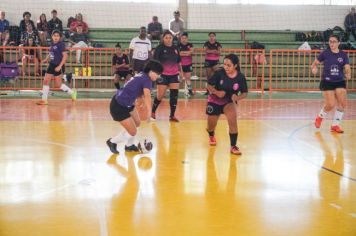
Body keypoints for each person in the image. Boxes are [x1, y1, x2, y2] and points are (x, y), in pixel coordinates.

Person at [106, 60, 163, 154]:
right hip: (119, 106)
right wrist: (149, 113)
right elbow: (148, 96)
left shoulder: (142, 75)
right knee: (133, 132)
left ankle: (129, 145)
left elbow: (137, 89)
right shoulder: (147, 79)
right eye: (158, 74)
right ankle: (112, 142)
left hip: (127, 103)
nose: (158, 76)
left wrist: (142, 101)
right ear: (151, 71)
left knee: (137, 123)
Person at [206, 54, 248, 155]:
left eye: (228, 65)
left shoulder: (240, 77)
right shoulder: (219, 73)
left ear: (235, 66)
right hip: (214, 100)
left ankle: (233, 146)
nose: (226, 67)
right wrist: (217, 92)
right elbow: (208, 85)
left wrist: (237, 97)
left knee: (232, 120)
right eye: (224, 64)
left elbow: (245, 93)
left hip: (228, 101)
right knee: (211, 126)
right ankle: (211, 135)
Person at [311, 34, 351, 133]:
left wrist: (348, 73)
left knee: (342, 104)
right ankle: (319, 117)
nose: (331, 43)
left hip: (340, 81)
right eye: (330, 41)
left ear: (338, 43)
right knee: (331, 104)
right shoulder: (325, 53)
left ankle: (335, 125)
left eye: (334, 41)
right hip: (327, 81)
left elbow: (347, 66)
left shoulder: (343, 55)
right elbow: (315, 63)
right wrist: (314, 68)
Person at [36, 30, 77, 105]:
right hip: (51, 64)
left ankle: (72, 92)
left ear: (59, 37)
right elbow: (51, 52)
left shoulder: (61, 45)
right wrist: (46, 59)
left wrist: (60, 66)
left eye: (57, 36)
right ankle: (44, 100)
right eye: (54, 35)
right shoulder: (52, 44)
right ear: (52, 37)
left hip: (58, 65)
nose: (56, 37)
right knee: (46, 81)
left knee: (58, 84)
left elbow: (65, 56)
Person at [151, 30, 183, 122]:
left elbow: (179, 62)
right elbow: (155, 62)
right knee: (160, 96)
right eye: (166, 38)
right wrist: (156, 73)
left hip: (174, 75)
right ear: (163, 39)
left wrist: (181, 72)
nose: (168, 39)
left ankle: (172, 115)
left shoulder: (176, 48)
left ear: (172, 38)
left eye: (170, 37)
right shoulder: (159, 48)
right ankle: (153, 111)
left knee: (174, 96)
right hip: (163, 75)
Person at [178, 32, 194, 96]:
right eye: (182, 38)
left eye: (185, 38)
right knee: (179, 78)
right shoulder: (177, 45)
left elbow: (190, 53)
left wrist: (182, 52)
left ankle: (190, 91)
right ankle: (175, 91)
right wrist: (187, 52)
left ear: (187, 39)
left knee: (188, 78)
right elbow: (178, 54)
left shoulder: (190, 45)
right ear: (180, 38)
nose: (184, 39)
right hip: (180, 64)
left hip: (188, 64)